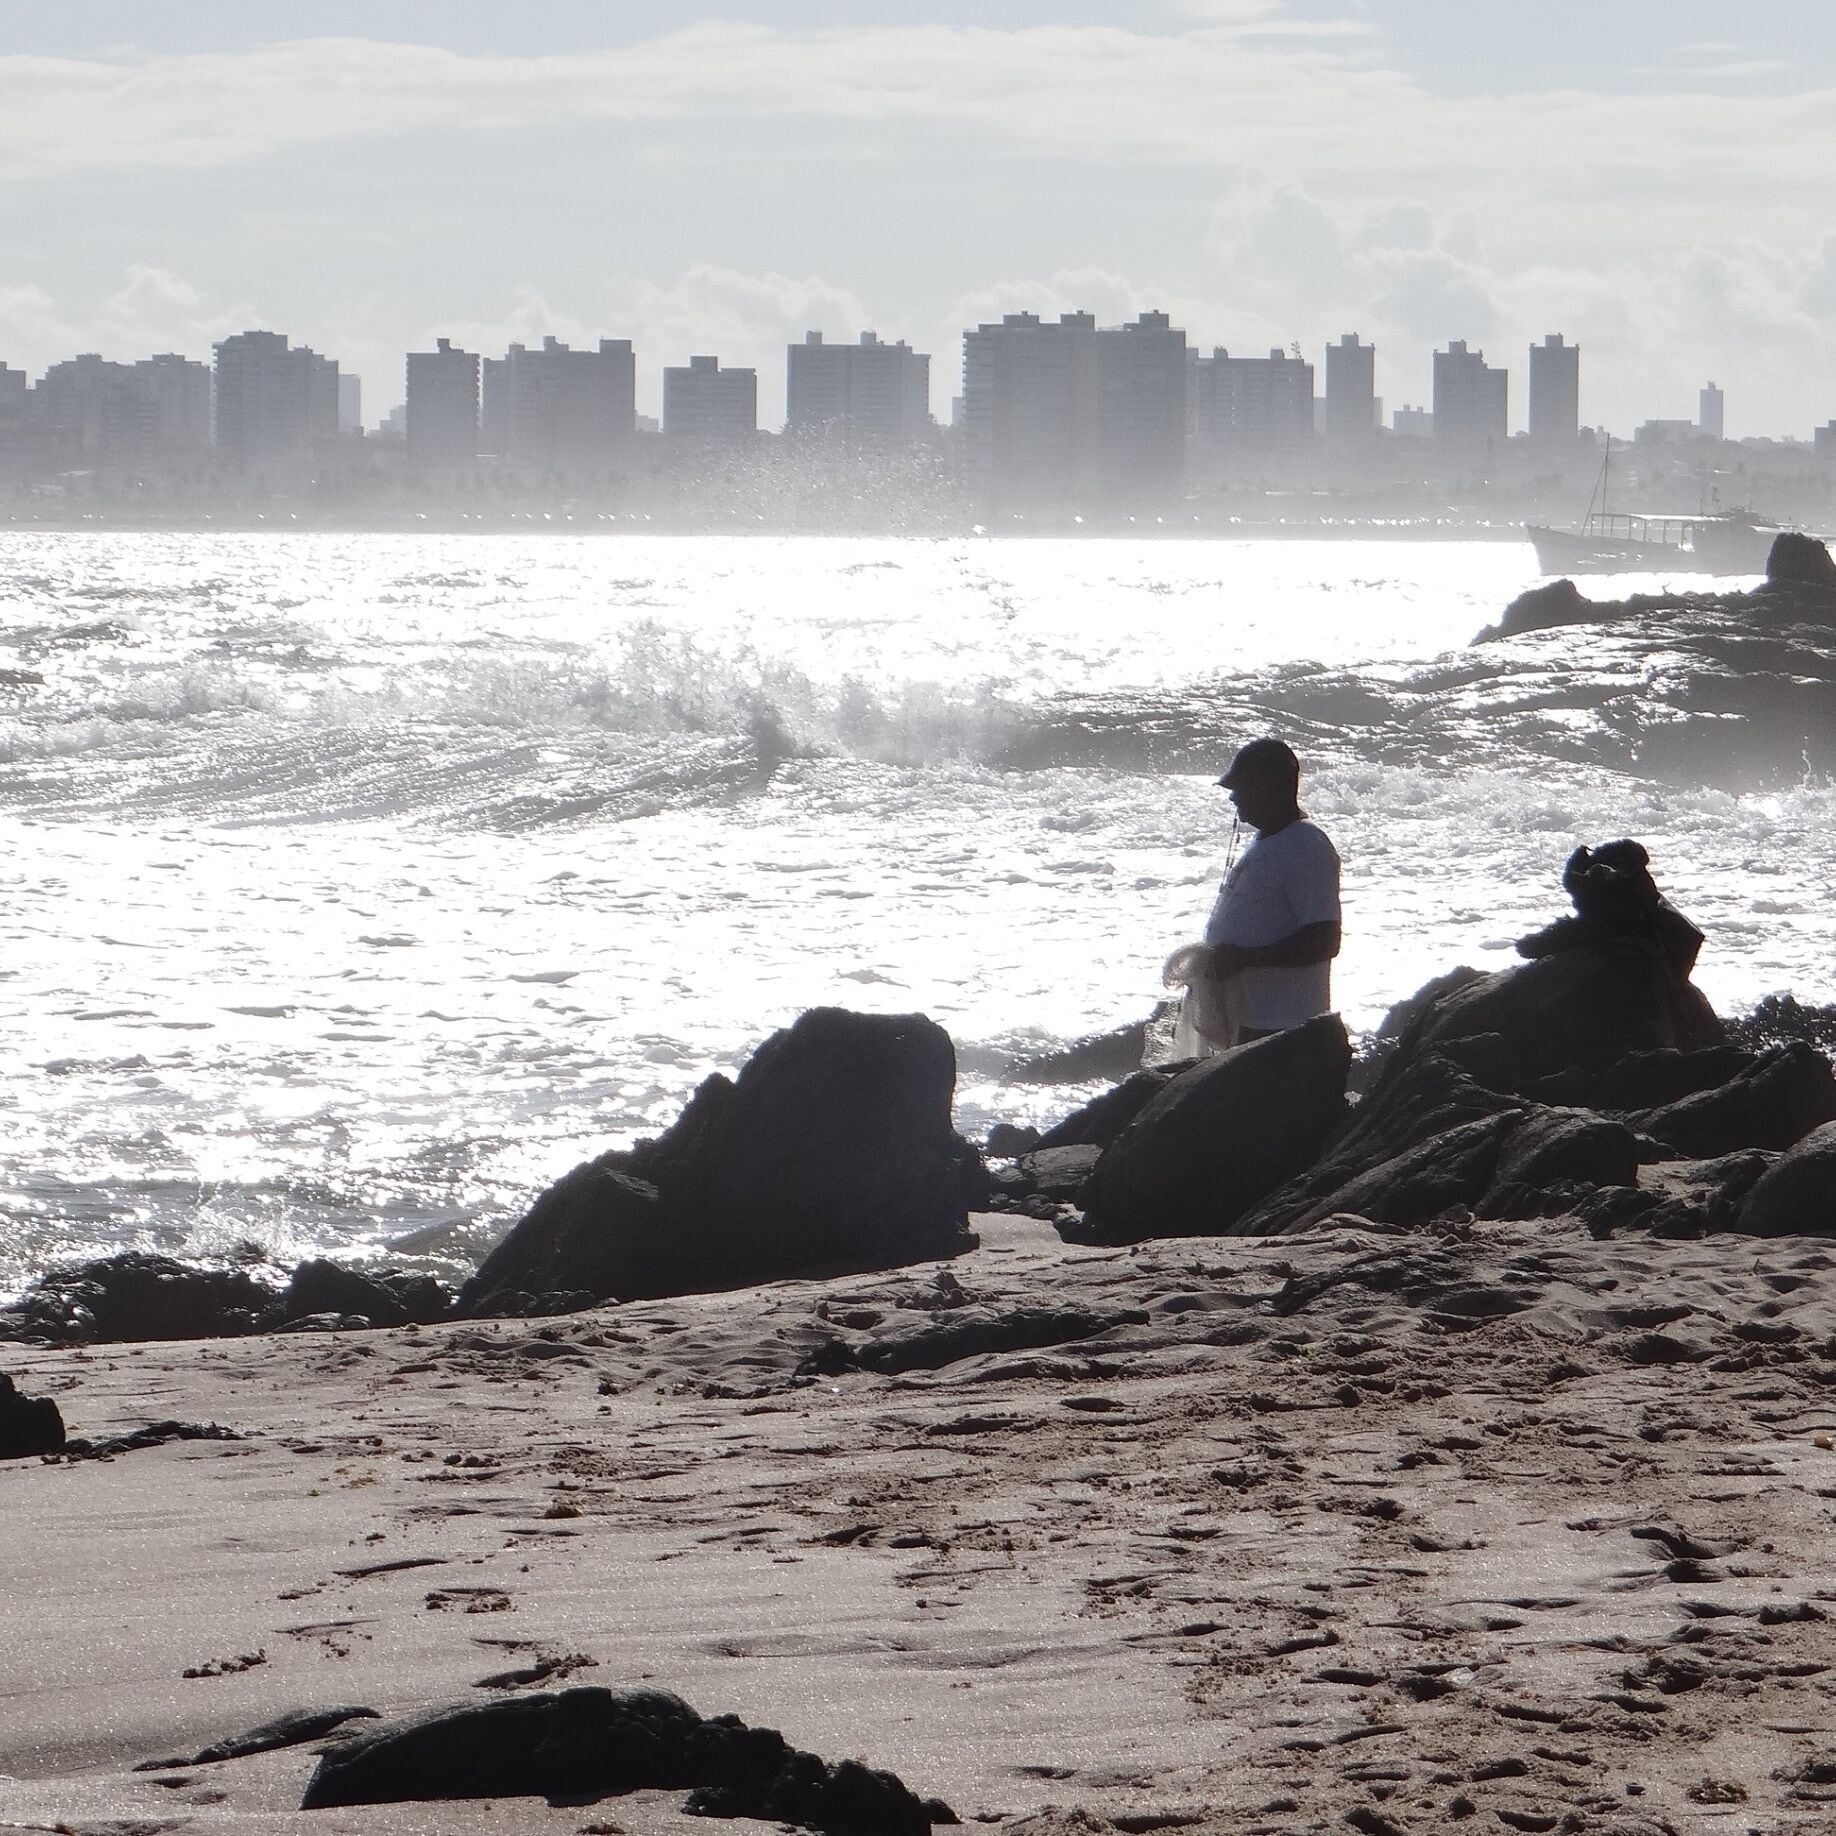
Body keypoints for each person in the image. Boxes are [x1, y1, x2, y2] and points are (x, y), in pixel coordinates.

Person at [1199, 737, 1341, 1045]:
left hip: (1286, 1028)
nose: (1233, 798)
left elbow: (1325, 939)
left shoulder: (1305, 846)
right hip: (1253, 1024)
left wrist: (1248, 958)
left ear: (1272, 788)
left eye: (1242, 788)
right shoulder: (1268, 841)